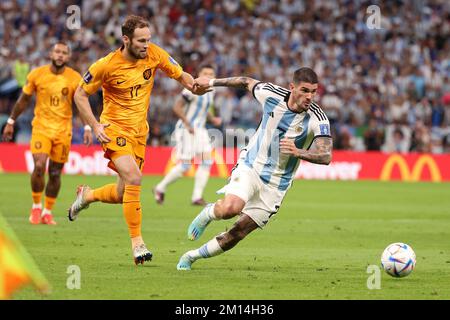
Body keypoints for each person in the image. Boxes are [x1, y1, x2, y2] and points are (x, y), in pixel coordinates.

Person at [68, 15, 209, 265]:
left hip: (139, 133)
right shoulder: (106, 65)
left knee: (124, 193)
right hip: (114, 129)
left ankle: (87, 196)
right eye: (141, 40)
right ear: (126, 40)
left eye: (149, 39)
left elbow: (181, 75)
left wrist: (193, 85)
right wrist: (94, 124)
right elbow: (80, 95)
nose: (146, 44)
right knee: (134, 177)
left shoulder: (154, 53)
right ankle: (137, 243)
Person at [177, 67, 333, 270]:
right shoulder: (271, 94)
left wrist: (299, 152)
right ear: (292, 87)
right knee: (230, 209)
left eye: (314, 91)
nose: (310, 96)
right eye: (305, 90)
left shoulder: (317, 118)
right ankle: (209, 213)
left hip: (277, 185)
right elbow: (244, 81)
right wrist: (212, 82)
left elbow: (326, 155)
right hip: (252, 166)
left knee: (238, 233)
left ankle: (191, 256)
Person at [2, 43, 92, 225]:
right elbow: (23, 100)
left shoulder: (74, 78)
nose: (60, 55)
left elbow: (81, 105)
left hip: (63, 131)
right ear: (51, 54)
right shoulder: (37, 74)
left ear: (68, 57)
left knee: (55, 173)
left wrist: (87, 127)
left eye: (64, 53)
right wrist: (11, 121)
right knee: (39, 166)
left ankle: (47, 211)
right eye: (57, 52)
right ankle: (36, 207)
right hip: (41, 128)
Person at [153, 65, 222, 206]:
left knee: (207, 161)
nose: (208, 75)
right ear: (199, 74)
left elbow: (203, 109)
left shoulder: (211, 91)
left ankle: (197, 197)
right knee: (185, 165)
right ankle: (160, 188)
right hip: (186, 129)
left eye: (211, 73)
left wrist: (212, 119)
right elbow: (177, 107)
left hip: (200, 130)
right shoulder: (192, 88)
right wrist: (187, 123)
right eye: (205, 73)